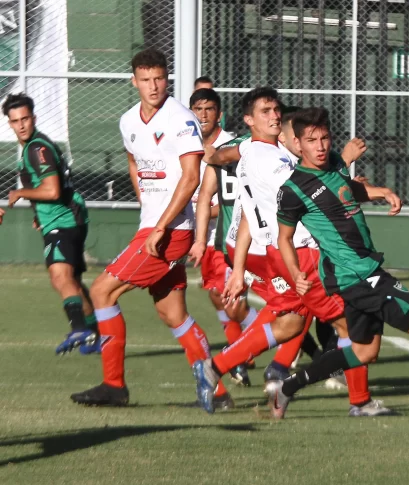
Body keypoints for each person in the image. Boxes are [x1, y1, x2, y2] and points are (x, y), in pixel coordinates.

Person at [270, 107, 409, 422]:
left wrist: (380, 192)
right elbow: (284, 239)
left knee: (364, 352)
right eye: (311, 140)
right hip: (356, 274)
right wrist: (296, 274)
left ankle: (287, 388)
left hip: (360, 271)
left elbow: (347, 191)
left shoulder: (332, 165)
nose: (320, 146)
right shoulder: (293, 189)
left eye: (324, 138)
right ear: (297, 144)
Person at [194, 89, 387, 417]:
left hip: (279, 252)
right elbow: (319, 192)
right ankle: (358, 401)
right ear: (249, 120)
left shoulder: (252, 149)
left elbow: (230, 161)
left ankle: (214, 366)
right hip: (300, 255)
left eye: (276, 110)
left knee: (290, 325)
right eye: (266, 111)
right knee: (354, 325)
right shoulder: (272, 162)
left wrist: (213, 156)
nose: (274, 116)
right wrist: (367, 186)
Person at [70, 48, 233, 409]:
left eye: (159, 78)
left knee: (101, 292)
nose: (153, 86)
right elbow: (134, 160)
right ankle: (218, 394)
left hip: (171, 232)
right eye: (145, 80)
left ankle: (114, 385)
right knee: (172, 313)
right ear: (134, 82)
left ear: (167, 78)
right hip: (154, 226)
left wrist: (160, 225)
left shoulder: (181, 119)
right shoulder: (128, 120)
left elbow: (191, 178)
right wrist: (147, 204)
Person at [3, 93, 98, 355]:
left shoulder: (37, 148)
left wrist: (20, 193)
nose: (21, 125)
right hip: (63, 217)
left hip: (63, 219)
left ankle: (80, 327)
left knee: (60, 276)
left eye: (25, 118)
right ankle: (96, 335)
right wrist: (38, 212)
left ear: (34, 118)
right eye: (15, 121)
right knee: (73, 281)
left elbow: (52, 190)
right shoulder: (34, 146)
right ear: (9, 123)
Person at [187, 87, 258, 387]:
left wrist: (202, 215)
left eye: (209, 109)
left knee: (231, 303)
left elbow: (235, 198)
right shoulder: (187, 145)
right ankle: (240, 358)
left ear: (219, 114)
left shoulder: (231, 146)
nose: (203, 115)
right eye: (197, 109)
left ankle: (267, 343)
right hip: (210, 239)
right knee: (218, 299)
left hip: (234, 237)